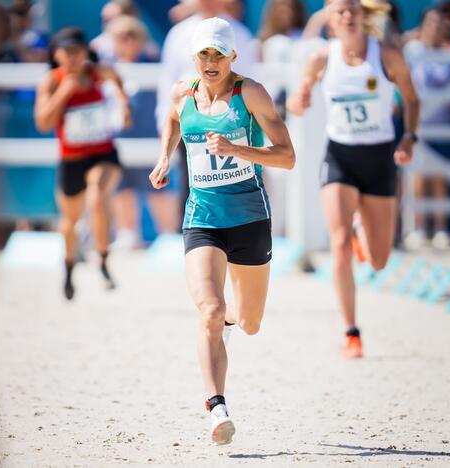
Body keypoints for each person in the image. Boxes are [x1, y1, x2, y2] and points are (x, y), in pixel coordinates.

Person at [149, 17, 295, 445]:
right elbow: (174, 121)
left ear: (233, 56)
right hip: (203, 219)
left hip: (250, 218)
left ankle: (231, 319)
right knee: (209, 312)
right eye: (203, 54)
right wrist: (164, 158)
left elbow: (287, 157)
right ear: (193, 57)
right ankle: (217, 407)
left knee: (247, 322)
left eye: (218, 53)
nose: (210, 62)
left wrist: (236, 149)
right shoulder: (183, 94)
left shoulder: (249, 93)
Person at [288, 0, 420, 358]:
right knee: (339, 242)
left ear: (363, 16)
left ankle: (365, 233)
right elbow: (295, 105)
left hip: (378, 157)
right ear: (329, 20)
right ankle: (351, 331)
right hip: (341, 157)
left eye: (352, 11)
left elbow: (411, 98)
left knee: (378, 260)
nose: (347, 17)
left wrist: (408, 137)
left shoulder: (386, 54)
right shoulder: (321, 58)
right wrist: (300, 100)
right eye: (339, 12)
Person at [35, 27, 131, 299]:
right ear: (57, 55)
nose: (74, 59)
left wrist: (124, 105)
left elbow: (117, 79)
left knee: (98, 197)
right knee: (70, 221)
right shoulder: (52, 81)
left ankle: (102, 260)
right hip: (72, 158)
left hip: (103, 153)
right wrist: (65, 92)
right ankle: (68, 269)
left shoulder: (98, 72)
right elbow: (43, 122)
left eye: (78, 52)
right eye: (68, 53)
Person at [157, 0, 259, 224]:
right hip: (191, 119)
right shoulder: (179, 33)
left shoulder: (239, 33)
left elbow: (251, 80)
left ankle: (237, 231)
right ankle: (191, 237)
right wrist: (164, 121)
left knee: (237, 180)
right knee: (191, 182)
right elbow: (168, 79)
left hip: (231, 121)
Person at [105, 15, 177, 250]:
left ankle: (169, 237)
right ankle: (128, 235)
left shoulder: (153, 62)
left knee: (158, 187)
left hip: (149, 138)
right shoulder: (108, 67)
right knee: (121, 188)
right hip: (117, 140)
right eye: (119, 37)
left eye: (131, 36)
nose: (125, 41)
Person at [403, 6, 450, 249]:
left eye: (440, 24)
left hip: (443, 124)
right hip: (417, 124)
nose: (436, 28)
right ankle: (417, 227)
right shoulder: (411, 51)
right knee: (416, 176)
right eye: (431, 23)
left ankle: (439, 228)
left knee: (439, 176)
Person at [90, 0, 158, 65]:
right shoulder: (96, 47)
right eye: (105, 20)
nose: (108, 24)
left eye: (112, 19)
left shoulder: (150, 51)